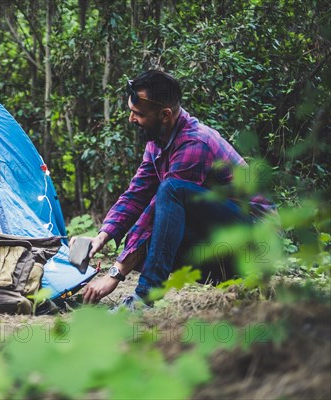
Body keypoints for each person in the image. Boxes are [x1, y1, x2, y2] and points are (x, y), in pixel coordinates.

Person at [82, 70, 275, 310]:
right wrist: (102, 236)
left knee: (171, 192)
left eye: (138, 113)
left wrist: (116, 272)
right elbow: (137, 193)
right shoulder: (158, 139)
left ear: (165, 115)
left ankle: (143, 300)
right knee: (151, 237)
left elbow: (157, 210)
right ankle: (238, 284)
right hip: (225, 238)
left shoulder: (195, 143)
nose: (131, 118)